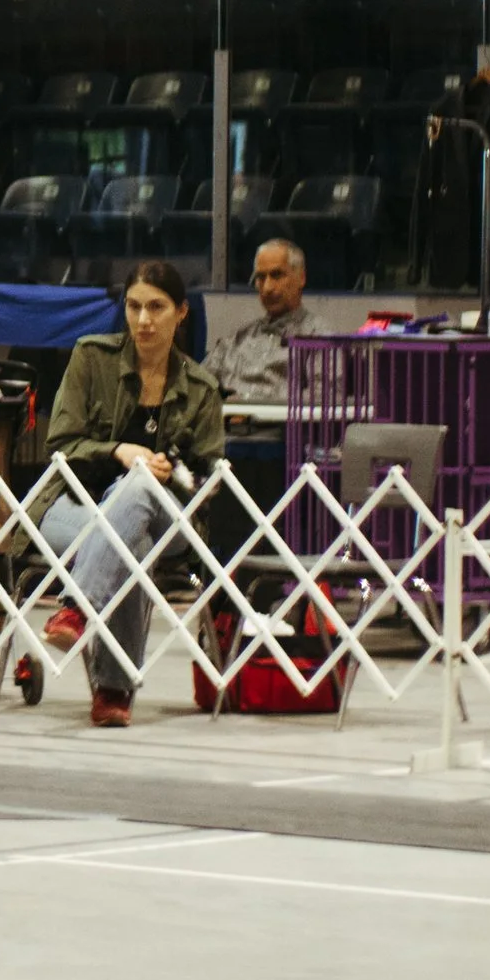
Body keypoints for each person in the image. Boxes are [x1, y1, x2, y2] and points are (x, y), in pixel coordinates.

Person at [35, 258, 223, 727]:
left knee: (138, 491)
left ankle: (78, 606)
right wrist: (118, 451)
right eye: (134, 306)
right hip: (74, 507)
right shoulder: (90, 357)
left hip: (172, 522)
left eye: (156, 307)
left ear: (181, 313)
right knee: (130, 543)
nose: (143, 319)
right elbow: (60, 444)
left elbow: (205, 481)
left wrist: (166, 470)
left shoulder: (202, 388)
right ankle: (113, 692)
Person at [209, 236, 314, 405]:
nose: (267, 288)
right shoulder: (236, 340)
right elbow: (196, 385)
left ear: (301, 278)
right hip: (224, 426)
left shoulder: (321, 340)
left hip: (282, 429)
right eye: (260, 277)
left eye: (277, 275)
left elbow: (324, 401)